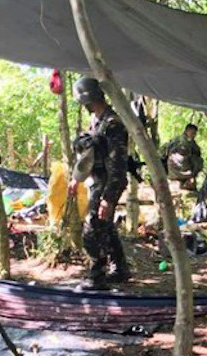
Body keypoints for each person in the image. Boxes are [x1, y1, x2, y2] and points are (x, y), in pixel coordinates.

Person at [69, 77, 130, 290]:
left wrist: (108, 198)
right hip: (96, 181)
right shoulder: (96, 121)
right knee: (106, 225)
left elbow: (118, 166)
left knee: (93, 228)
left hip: (108, 182)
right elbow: (89, 156)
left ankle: (97, 275)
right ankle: (120, 268)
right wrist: (76, 179)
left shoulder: (112, 124)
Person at [161, 123, 204, 190]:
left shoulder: (190, 143)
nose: (193, 135)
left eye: (194, 133)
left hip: (180, 170)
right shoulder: (178, 141)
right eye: (192, 132)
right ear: (187, 131)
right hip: (178, 170)